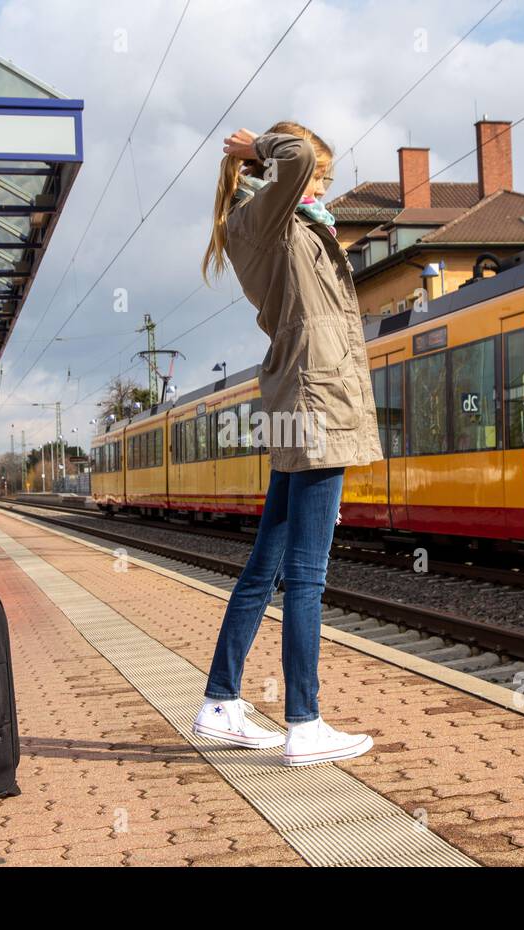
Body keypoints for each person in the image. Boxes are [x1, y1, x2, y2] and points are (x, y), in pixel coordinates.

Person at [194, 122, 384, 767]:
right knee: (307, 574)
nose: (322, 186)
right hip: (316, 401)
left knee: (266, 566)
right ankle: (305, 723)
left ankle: (221, 701)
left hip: (296, 395)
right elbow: (296, 155)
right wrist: (260, 149)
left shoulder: (266, 219)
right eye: (322, 178)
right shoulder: (264, 212)